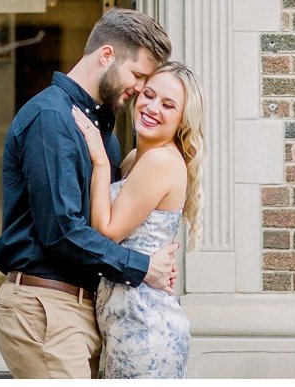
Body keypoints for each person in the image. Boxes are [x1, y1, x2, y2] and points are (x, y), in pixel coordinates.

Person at [0, 8, 179, 379]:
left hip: (80, 310)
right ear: (106, 55)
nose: (141, 90)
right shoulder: (52, 118)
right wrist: (142, 267)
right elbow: (61, 232)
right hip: (45, 307)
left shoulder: (100, 129)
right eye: (137, 75)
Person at [71, 61, 205, 379]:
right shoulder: (135, 159)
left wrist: (100, 162)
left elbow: (106, 234)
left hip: (146, 327)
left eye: (168, 104)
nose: (152, 107)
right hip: (123, 322)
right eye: (149, 94)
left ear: (183, 119)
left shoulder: (160, 160)